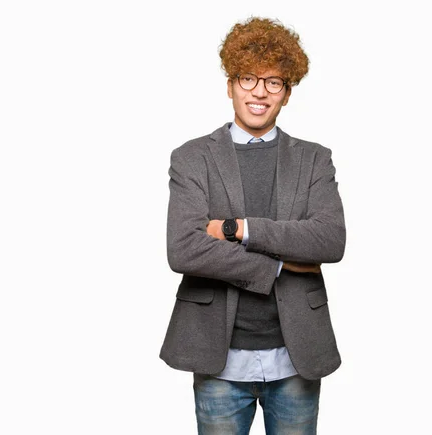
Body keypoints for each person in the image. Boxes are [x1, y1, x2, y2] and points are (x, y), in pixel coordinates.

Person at [160, 16, 346, 435]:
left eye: (273, 82)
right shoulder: (192, 158)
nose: (259, 91)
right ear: (230, 85)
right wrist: (280, 266)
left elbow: (329, 240)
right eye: (248, 78)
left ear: (287, 92)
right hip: (218, 356)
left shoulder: (315, 159)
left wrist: (238, 229)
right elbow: (184, 249)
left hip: (296, 352)